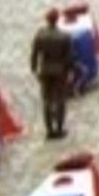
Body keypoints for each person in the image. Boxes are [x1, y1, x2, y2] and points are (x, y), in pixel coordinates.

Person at [30, 8, 74, 139]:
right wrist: (70, 71)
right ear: (57, 19)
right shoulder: (64, 36)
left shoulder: (39, 35)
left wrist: (34, 69)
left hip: (45, 70)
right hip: (59, 71)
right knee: (60, 100)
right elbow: (68, 58)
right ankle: (59, 128)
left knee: (47, 100)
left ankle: (49, 130)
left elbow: (34, 55)